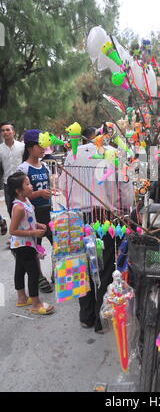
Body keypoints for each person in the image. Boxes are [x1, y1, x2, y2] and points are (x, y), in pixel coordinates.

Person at [59, 126, 135, 333]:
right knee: (104, 267)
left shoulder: (71, 156)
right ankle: (102, 319)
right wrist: (123, 209)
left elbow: (63, 186)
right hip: (104, 219)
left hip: (77, 218)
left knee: (82, 266)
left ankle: (86, 316)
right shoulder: (113, 156)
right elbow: (126, 194)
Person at [7, 171, 54, 315]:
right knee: (33, 273)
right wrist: (33, 233)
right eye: (27, 184)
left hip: (23, 244)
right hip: (23, 246)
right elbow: (13, 230)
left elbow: (28, 221)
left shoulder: (26, 201)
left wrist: (38, 225)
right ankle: (36, 303)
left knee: (20, 270)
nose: (31, 186)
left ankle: (21, 298)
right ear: (18, 190)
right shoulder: (18, 208)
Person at [17, 129, 53, 293]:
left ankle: (56, 273)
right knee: (34, 247)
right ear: (30, 147)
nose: (44, 148)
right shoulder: (23, 169)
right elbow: (20, 196)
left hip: (49, 211)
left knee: (57, 243)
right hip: (33, 214)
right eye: (40, 145)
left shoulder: (45, 166)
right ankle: (39, 276)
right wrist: (38, 193)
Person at [0, 122, 25, 216]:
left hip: (21, 182)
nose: (5, 132)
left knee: (24, 207)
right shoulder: (0, 149)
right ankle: (15, 229)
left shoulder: (22, 147)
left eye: (7, 130)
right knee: (10, 208)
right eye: (2, 130)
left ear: (13, 132)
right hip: (7, 183)